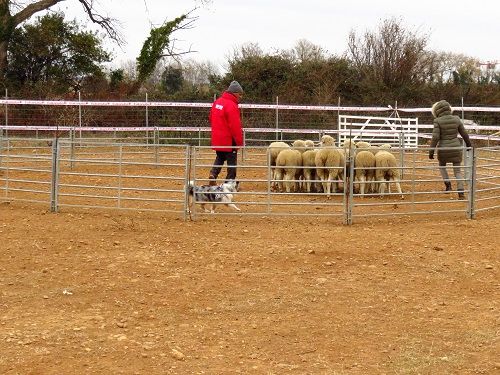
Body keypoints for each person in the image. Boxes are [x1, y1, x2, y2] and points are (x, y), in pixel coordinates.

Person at [429, 100, 472, 199]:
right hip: (456, 148)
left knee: (442, 166)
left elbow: (435, 137)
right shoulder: (456, 119)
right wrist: (469, 145)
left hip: (443, 149)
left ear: (436, 111)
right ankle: (461, 192)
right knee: (457, 171)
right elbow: (464, 134)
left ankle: (448, 186)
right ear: (449, 108)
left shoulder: (437, 121)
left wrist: (431, 151)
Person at [208, 80, 244, 185]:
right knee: (231, 162)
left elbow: (211, 118)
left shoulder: (217, 102)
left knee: (220, 157)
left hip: (218, 138)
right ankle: (229, 183)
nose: (240, 96)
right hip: (229, 139)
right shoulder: (231, 105)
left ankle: (213, 174)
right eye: (240, 94)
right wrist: (238, 141)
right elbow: (235, 125)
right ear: (234, 93)